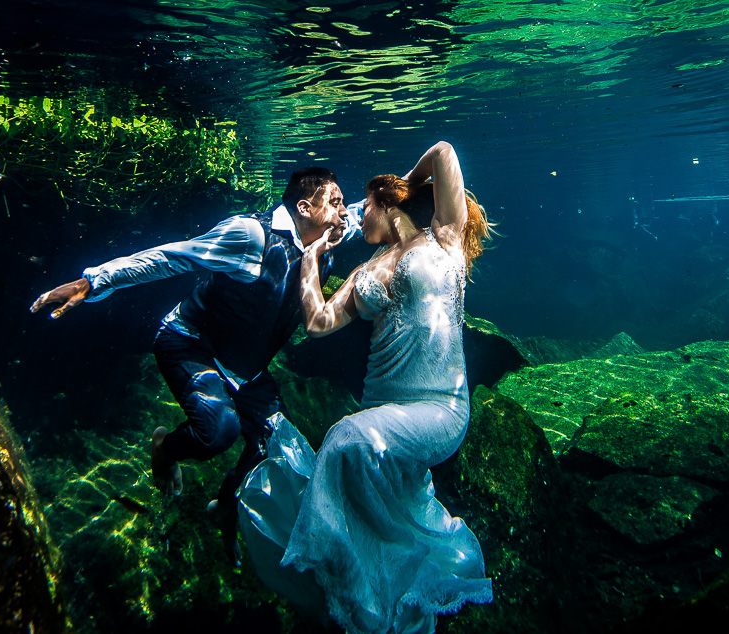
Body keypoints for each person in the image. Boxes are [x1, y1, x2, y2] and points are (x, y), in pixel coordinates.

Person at [30, 168, 361, 565]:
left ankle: (224, 505)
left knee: (277, 446)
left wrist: (417, 186)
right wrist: (94, 282)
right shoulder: (252, 237)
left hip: (246, 370)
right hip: (189, 343)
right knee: (219, 430)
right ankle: (164, 449)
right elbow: (173, 256)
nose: (344, 213)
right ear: (304, 208)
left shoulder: (328, 234)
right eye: (336, 202)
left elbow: (370, 209)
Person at [238, 142, 495, 633]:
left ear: (387, 203)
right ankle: (377, 604)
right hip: (384, 409)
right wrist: (311, 257)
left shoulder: (444, 235)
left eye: (365, 205)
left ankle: (347, 588)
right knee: (393, 514)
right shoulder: (362, 272)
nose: (356, 216)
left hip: (439, 409)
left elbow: (442, 152)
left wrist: (398, 181)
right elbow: (316, 322)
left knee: (344, 438)